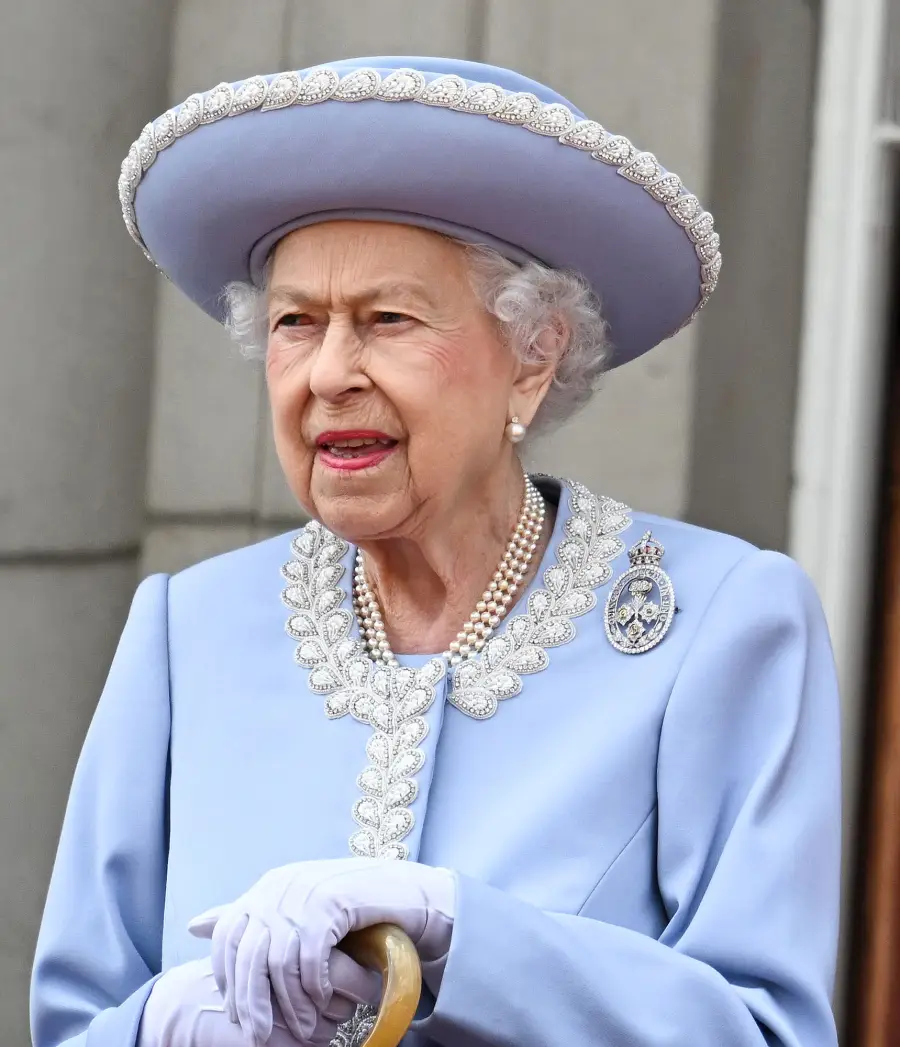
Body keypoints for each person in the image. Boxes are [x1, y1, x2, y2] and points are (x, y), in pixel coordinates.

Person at [30, 56, 841, 1047]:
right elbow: (73, 1025)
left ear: (533, 359)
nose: (329, 373)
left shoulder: (718, 623)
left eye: (388, 320)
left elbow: (765, 1031)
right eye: (296, 323)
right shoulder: (185, 629)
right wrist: (169, 1022)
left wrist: (462, 937)